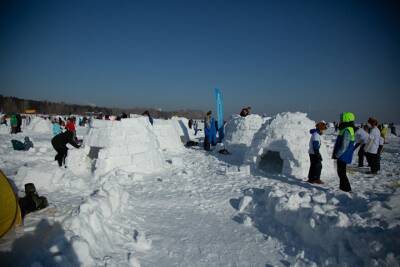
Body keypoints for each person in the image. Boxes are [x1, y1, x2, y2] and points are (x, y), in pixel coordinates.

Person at [332, 112, 356, 192]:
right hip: (343, 154)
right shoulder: (346, 128)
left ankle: (346, 189)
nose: (341, 120)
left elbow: (344, 145)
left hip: (343, 155)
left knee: (342, 173)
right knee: (341, 172)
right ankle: (343, 188)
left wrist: (338, 154)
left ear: (346, 119)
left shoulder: (347, 130)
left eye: (342, 118)